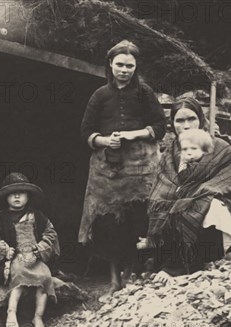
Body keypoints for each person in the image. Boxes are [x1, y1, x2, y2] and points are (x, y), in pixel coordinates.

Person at [78, 40, 166, 294]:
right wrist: (104, 140)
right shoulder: (100, 95)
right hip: (107, 170)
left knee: (139, 219)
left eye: (130, 66)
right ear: (110, 64)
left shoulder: (145, 93)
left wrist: (132, 134)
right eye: (120, 65)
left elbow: (159, 127)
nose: (124, 70)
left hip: (140, 169)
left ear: (136, 67)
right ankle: (114, 279)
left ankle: (134, 274)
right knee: (109, 224)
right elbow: (84, 131)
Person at [147, 97, 231, 283]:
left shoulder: (220, 147)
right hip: (182, 206)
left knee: (207, 207)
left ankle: (194, 264)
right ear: (172, 124)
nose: (186, 126)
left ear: (201, 120)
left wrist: (195, 194)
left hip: (218, 207)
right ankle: (172, 262)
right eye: (180, 121)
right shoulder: (168, 155)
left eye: (191, 119)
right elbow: (163, 187)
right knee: (162, 207)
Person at [0, 172, 59, 327]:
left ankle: (38, 317)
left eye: (21, 193)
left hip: (34, 259)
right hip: (13, 260)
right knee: (20, 275)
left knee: (45, 278)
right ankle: (11, 312)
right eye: (12, 193)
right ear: (6, 197)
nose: (17, 196)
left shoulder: (38, 216)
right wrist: (4, 250)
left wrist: (39, 250)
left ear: (28, 196)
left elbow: (51, 234)